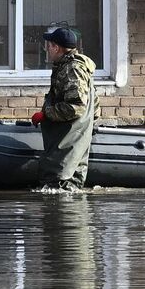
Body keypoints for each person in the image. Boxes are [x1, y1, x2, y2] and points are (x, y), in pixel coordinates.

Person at [30, 25, 97, 192]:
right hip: (72, 142)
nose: (47, 49)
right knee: (66, 192)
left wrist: (46, 114)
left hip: (67, 144)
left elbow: (76, 106)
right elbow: (94, 106)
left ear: (56, 47)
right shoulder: (71, 67)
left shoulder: (72, 70)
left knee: (58, 187)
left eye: (49, 45)